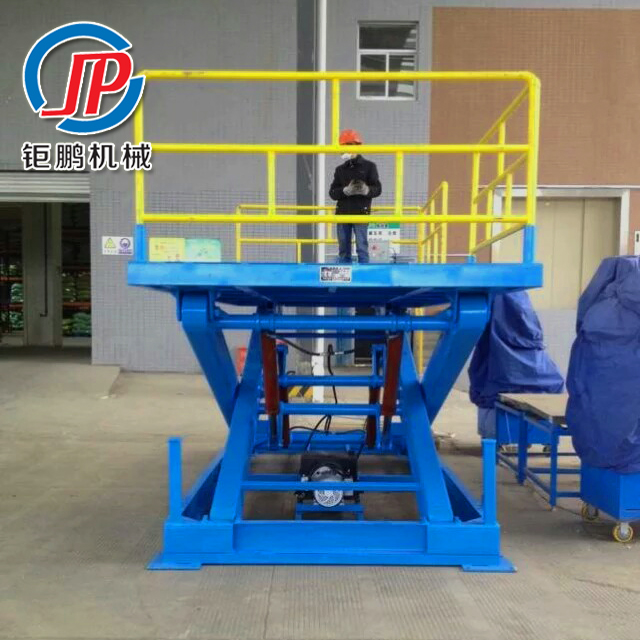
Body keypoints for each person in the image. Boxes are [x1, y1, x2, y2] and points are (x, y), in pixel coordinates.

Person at [329, 129, 382, 263]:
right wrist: (345, 191)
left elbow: (377, 189)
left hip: (361, 213)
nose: (344, 150)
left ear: (356, 146)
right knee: (343, 249)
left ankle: (364, 273)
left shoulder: (369, 167)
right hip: (343, 213)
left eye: (347, 146)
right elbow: (332, 193)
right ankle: (344, 273)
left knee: (362, 248)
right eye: (342, 147)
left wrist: (366, 190)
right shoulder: (340, 170)